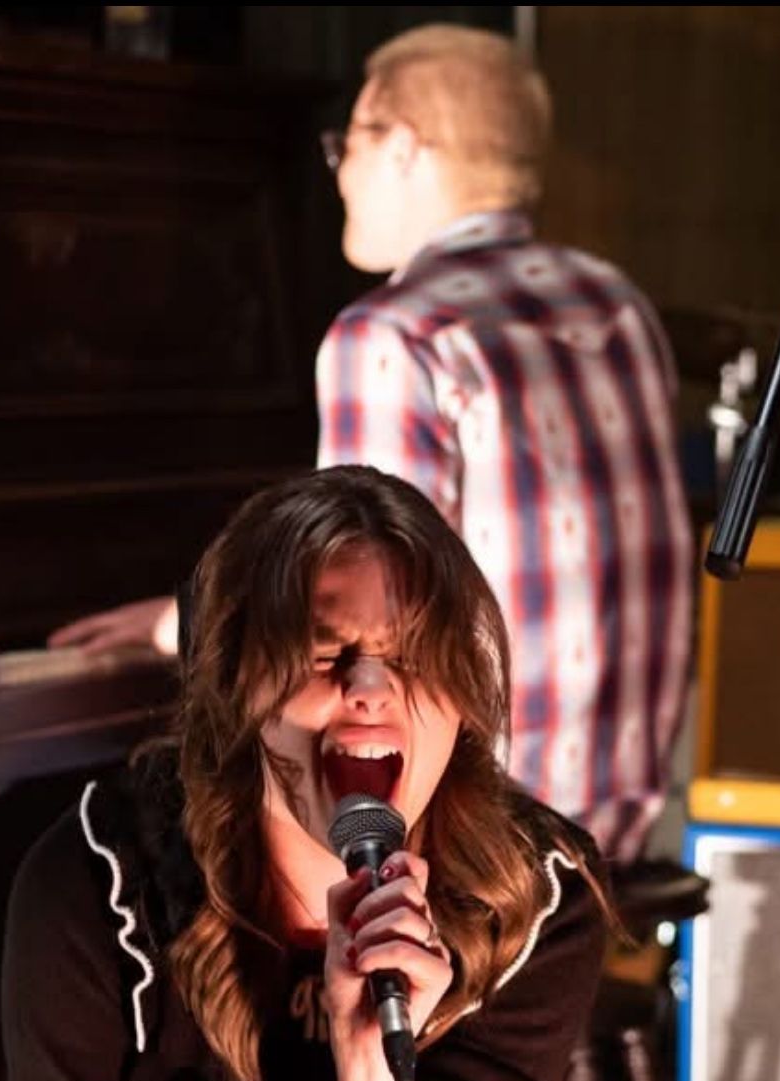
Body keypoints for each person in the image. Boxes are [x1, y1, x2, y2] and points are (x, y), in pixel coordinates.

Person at [5, 464, 610, 1081]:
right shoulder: (91, 884)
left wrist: (370, 1057)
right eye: (325, 654)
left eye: (414, 655)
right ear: (237, 682)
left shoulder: (533, 893)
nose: (371, 688)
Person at [50, 22, 693, 866]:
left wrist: (192, 625)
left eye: (345, 144)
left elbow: (369, 611)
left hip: (485, 843)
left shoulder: (394, 334)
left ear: (403, 148)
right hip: (615, 828)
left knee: (150, 843)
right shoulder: (614, 303)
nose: (341, 173)